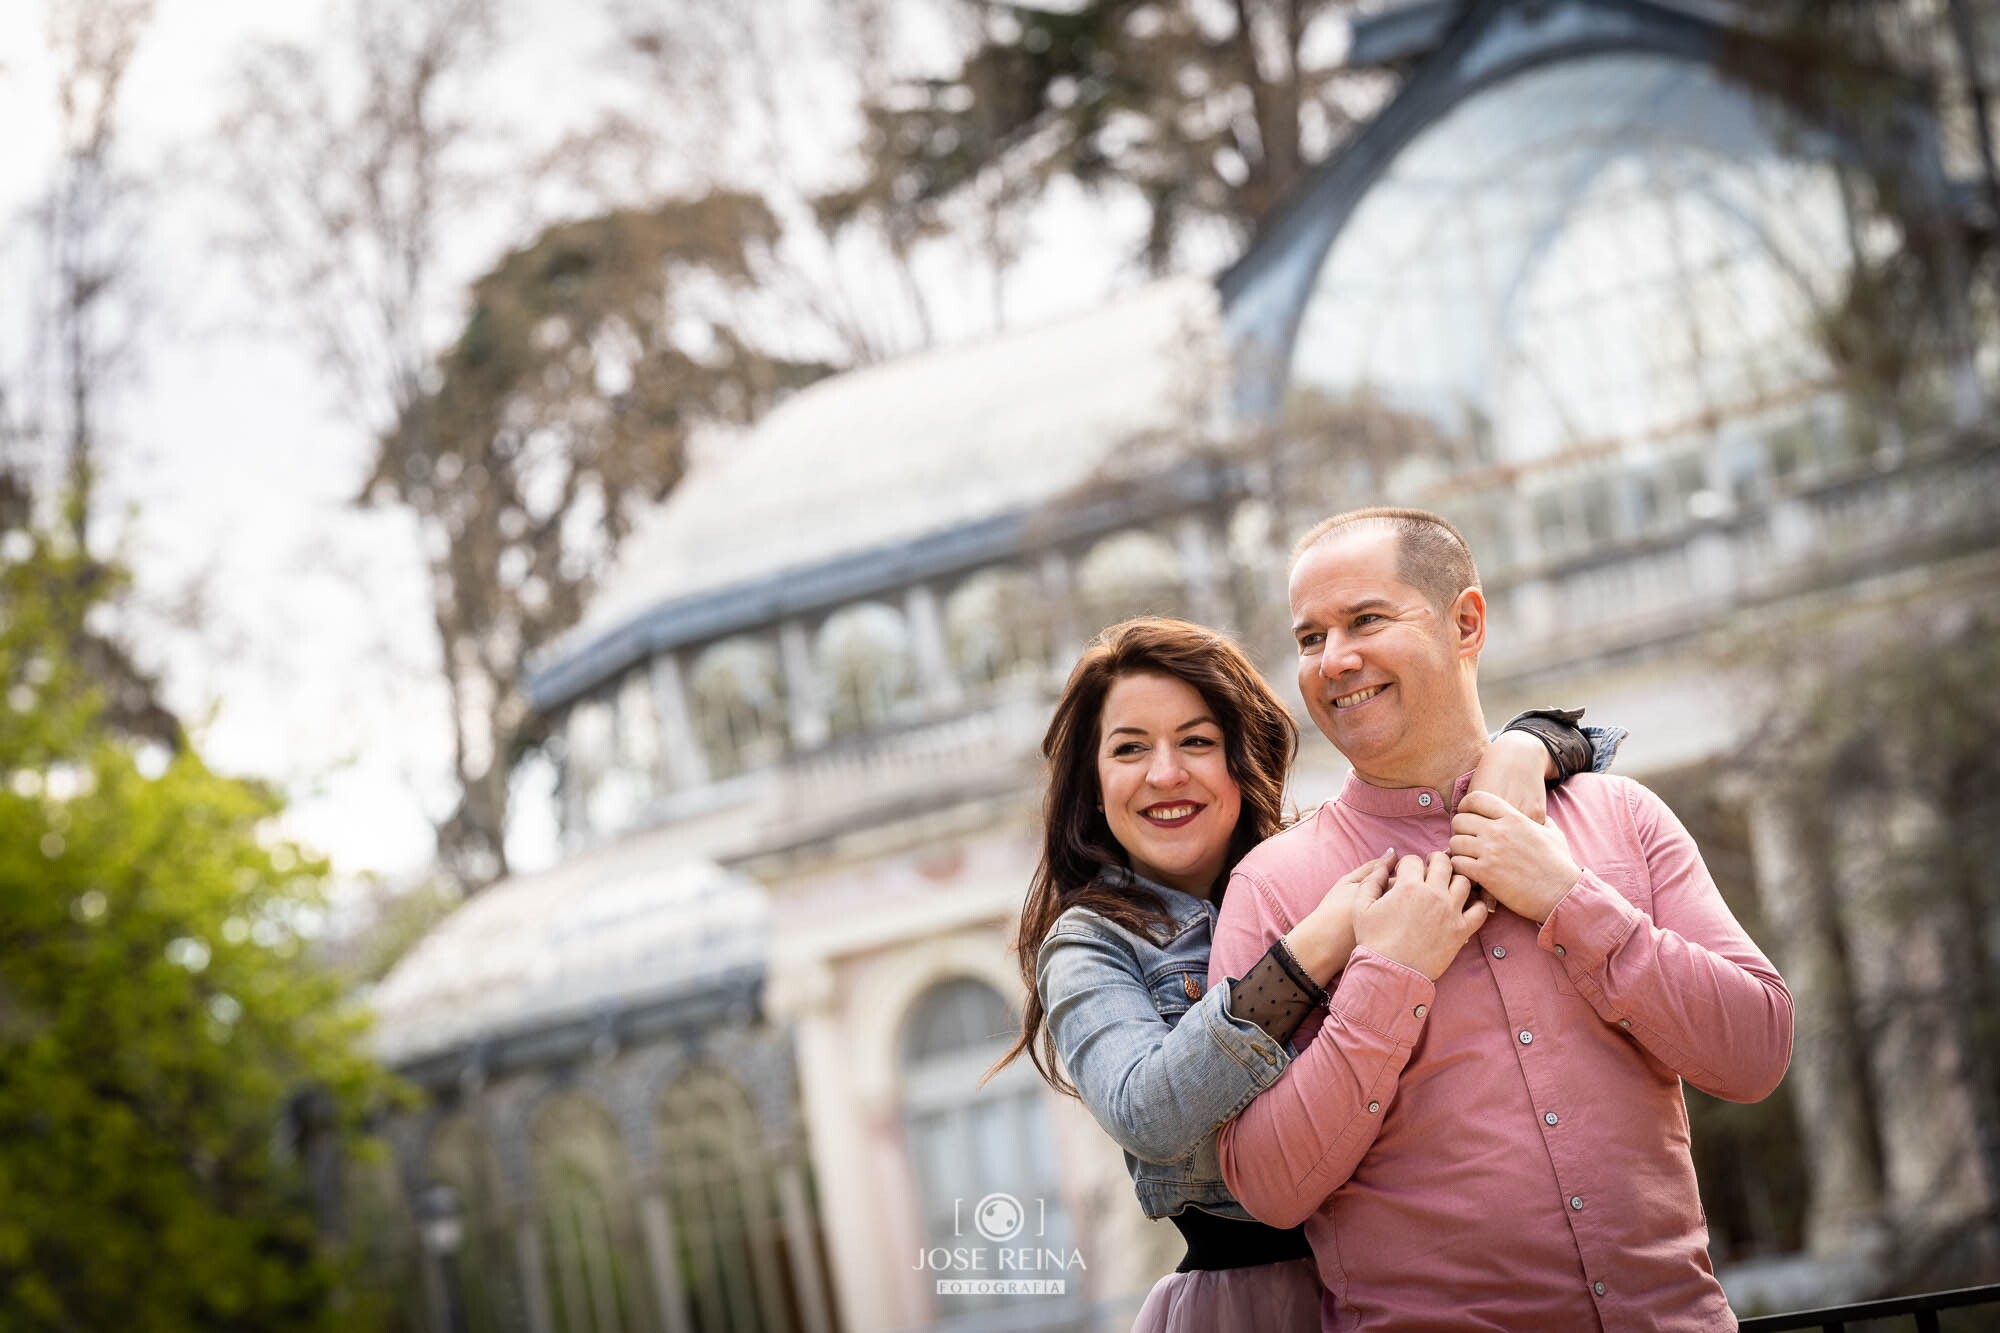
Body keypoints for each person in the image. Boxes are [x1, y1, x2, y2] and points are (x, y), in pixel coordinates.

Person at [1209, 508, 1793, 1330]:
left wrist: (1571, 900)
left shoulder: (1620, 815)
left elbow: (1757, 1052)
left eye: (1366, 620)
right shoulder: (1274, 889)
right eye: (1310, 638)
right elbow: (1268, 1185)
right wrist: (1388, 978)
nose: (1334, 660)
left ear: (1466, 623)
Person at [991, 616, 1620, 1333]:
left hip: (1430, 1285)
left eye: (1196, 741)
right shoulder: (1092, 942)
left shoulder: (1315, 863)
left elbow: (1465, 799)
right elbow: (1149, 1112)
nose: (1165, 773)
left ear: (1240, 758)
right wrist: (1311, 946)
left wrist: (1526, 743)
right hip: (1259, 1302)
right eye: (1130, 748)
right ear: (1093, 784)